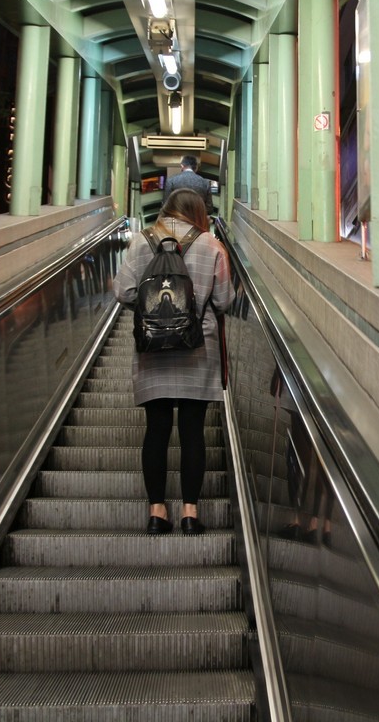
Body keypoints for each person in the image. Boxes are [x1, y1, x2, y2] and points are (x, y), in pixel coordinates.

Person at [113, 189, 234, 534]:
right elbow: (224, 300)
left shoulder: (141, 241)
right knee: (193, 432)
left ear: (165, 210)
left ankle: (156, 512)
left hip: (153, 350)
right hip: (199, 348)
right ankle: (190, 513)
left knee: (157, 430)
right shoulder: (212, 245)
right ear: (198, 212)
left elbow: (123, 292)